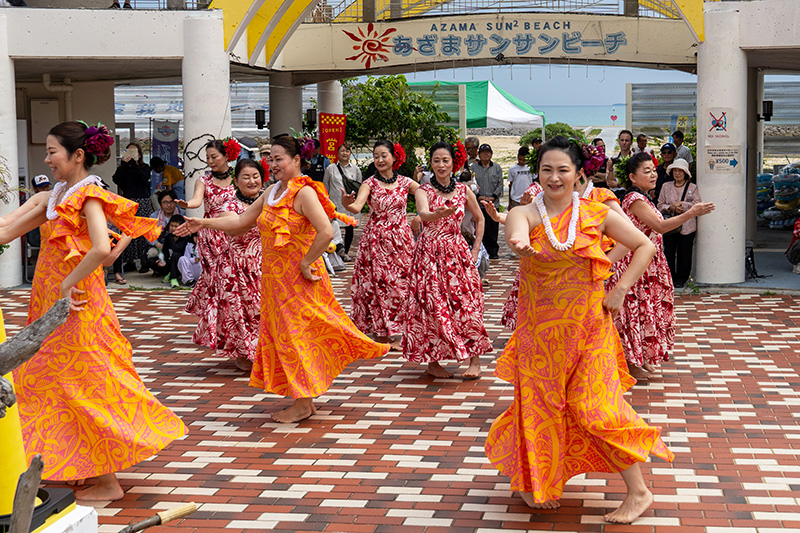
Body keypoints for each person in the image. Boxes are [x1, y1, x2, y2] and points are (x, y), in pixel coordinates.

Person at [485, 136, 674, 522]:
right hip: (540, 335)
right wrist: (518, 243)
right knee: (538, 406)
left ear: (578, 174)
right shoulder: (529, 213)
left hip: (589, 332)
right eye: (546, 170)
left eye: (562, 170)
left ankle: (639, 492)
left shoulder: (595, 213)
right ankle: (530, 482)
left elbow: (645, 246)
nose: (554, 178)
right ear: (537, 173)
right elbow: (515, 230)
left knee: (596, 409)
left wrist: (619, 289)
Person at [0, 121, 185, 501]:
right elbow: (5, 232)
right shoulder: (57, 196)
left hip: (76, 305)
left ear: (78, 155)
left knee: (87, 383)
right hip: (51, 306)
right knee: (50, 382)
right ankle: (78, 465)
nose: (47, 158)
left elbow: (101, 247)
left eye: (52, 152)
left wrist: (68, 284)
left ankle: (107, 481)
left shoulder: (88, 194)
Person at [175, 136, 388, 423]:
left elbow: (325, 232)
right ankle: (304, 398)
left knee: (297, 336)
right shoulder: (272, 192)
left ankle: (302, 402)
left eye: (279, 159)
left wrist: (305, 262)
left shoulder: (304, 193)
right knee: (288, 337)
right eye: (271, 159)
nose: (273, 164)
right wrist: (202, 222)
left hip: (299, 279)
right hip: (274, 280)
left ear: (296, 160)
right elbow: (240, 223)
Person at [606, 152, 715, 379]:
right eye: (646, 171)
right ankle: (629, 362)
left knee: (648, 312)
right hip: (635, 263)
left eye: (653, 170)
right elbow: (660, 226)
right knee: (633, 314)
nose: (653, 174)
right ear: (632, 178)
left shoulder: (644, 197)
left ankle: (643, 358)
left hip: (650, 263)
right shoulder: (634, 200)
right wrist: (691, 212)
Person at [403, 141, 492, 380]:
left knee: (467, 303)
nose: (441, 165)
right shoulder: (424, 190)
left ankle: (475, 360)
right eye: (436, 161)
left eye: (446, 161)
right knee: (431, 306)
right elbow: (423, 214)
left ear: (454, 163)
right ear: (430, 164)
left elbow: (479, 219)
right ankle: (433, 362)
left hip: (457, 252)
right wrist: (436, 215)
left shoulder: (464, 190)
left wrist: (475, 250)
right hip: (429, 253)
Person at [342, 140, 417, 350]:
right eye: (376, 156)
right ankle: (384, 333)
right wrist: (348, 203)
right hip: (377, 242)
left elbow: (427, 195)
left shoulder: (405, 182)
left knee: (403, 284)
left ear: (394, 157)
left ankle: (402, 329)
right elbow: (357, 207)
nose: (380, 160)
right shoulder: (370, 184)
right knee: (381, 286)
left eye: (384, 155)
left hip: (402, 242)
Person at [178, 139, 237, 357]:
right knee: (215, 280)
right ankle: (215, 327)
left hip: (232, 233)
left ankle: (228, 323)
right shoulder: (203, 180)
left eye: (215, 157)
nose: (210, 161)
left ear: (226, 156)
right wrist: (187, 205)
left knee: (230, 280)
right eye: (208, 157)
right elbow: (195, 200)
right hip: (210, 236)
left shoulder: (238, 178)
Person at [214, 158, 264, 370]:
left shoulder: (271, 201)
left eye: (255, 176)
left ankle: (264, 351)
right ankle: (245, 353)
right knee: (241, 311)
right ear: (236, 180)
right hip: (237, 265)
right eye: (246, 177)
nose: (252, 181)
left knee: (264, 309)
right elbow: (233, 229)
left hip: (266, 264)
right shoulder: (229, 204)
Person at [657, 158, 702, 288]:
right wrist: (671, 207)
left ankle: (681, 279)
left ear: (686, 173)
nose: (677, 173)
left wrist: (682, 204)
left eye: (680, 171)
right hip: (669, 225)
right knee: (669, 252)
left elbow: (697, 204)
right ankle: (669, 277)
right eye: (675, 170)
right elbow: (660, 205)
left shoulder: (693, 187)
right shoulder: (666, 186)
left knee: (685, 253)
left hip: (687, 226)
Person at [112, 141, 153, 272]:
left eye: (134, 151)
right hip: (127, 201)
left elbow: (144, 179)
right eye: (128, 151)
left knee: (142, 230)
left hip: (142, 200)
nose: (131, 154)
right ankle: (130, 261)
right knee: (127, 231)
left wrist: (135, 165)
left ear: (140, 154)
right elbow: (116, 180)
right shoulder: (123, 168)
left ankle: (144, 260)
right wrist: (123, 165)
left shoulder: (144, 167)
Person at [323, 142, 362, 261]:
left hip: (350, 203)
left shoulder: (356, 169)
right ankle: (335, 252)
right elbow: (325, 185)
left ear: (350, 154)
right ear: (338, 153)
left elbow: (360, 186)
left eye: (347, 151)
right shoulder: (331, 168)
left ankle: (345, 252)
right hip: (335, 203)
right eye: (342, 151)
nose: (344, 153)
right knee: (335, 228)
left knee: (349, 227)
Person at [471, 143, 503, 259]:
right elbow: (471, 183)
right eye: (483, 152)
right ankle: (480, 250)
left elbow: (500, 184)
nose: (485, 154)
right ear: (479, 154)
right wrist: (478, 196)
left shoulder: (497, 168)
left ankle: (493, 251)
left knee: (493, 228)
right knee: (479, 228)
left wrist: (493, 197)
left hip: (492, 203)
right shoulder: (473, 168)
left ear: (491, 154)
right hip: (478, 204)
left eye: (488, 152)